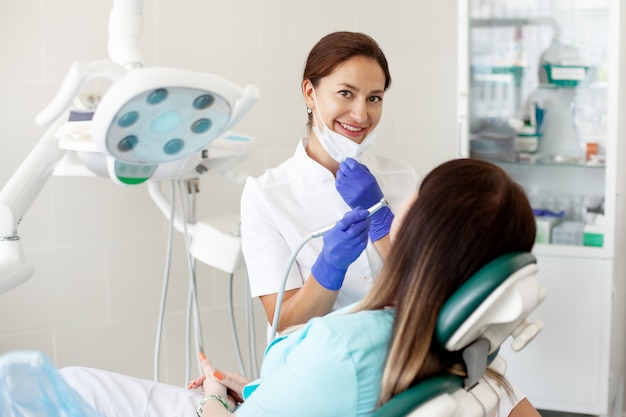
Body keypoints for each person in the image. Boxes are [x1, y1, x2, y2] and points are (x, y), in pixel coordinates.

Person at [1, 158, 541, 417]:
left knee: (63, 389)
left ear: (421, 232)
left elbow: (319, 365)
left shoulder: (345, 351)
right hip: (287, 396)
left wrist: (215, 397)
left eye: (412, 204)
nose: (360, 112)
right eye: (345, 94)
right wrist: (267, 389)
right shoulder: (474, 359)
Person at [240, 31, 419, 332]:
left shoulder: (403, 178)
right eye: (346, 93)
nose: (361, 114)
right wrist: (329, 269)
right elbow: (283, 323)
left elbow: (430, 285)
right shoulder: (266, 195)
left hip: (403, 362)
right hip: (321, 369)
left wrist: (381, 220)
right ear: (310, 93)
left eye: (373, 98)